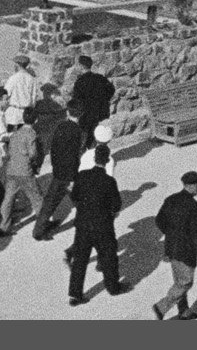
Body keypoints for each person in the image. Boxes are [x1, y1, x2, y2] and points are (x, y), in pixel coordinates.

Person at [66, 144, 128, 306]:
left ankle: (75, 294)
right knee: (109, 256)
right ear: (107, 160)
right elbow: (116, 205)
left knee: (80, 260)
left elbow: (74, 196)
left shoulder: (82, 176)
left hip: (83, 224)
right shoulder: (109, 181)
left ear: (94, 158)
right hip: (102, 225)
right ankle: (113, 287)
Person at [151, 170, 197, 321]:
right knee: (185, 282)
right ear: (193, 186)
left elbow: (159, 220)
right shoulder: (195, 207)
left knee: (178, 280)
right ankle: (161, 307)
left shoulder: (170, 199)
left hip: (170, 247)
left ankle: (184, 311)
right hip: (186, 251)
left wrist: (170, 233)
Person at [33, 100, 87, 241]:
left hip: (58, 171)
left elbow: (53, 149)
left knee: (50, 203)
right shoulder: (79, 132)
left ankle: (39, 230)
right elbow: (75, 157)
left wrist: (55, 167)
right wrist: (72, 177)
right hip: (70, 174)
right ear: (81, 115)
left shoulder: (60, 126)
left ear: (68, 112)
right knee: (79, 199)